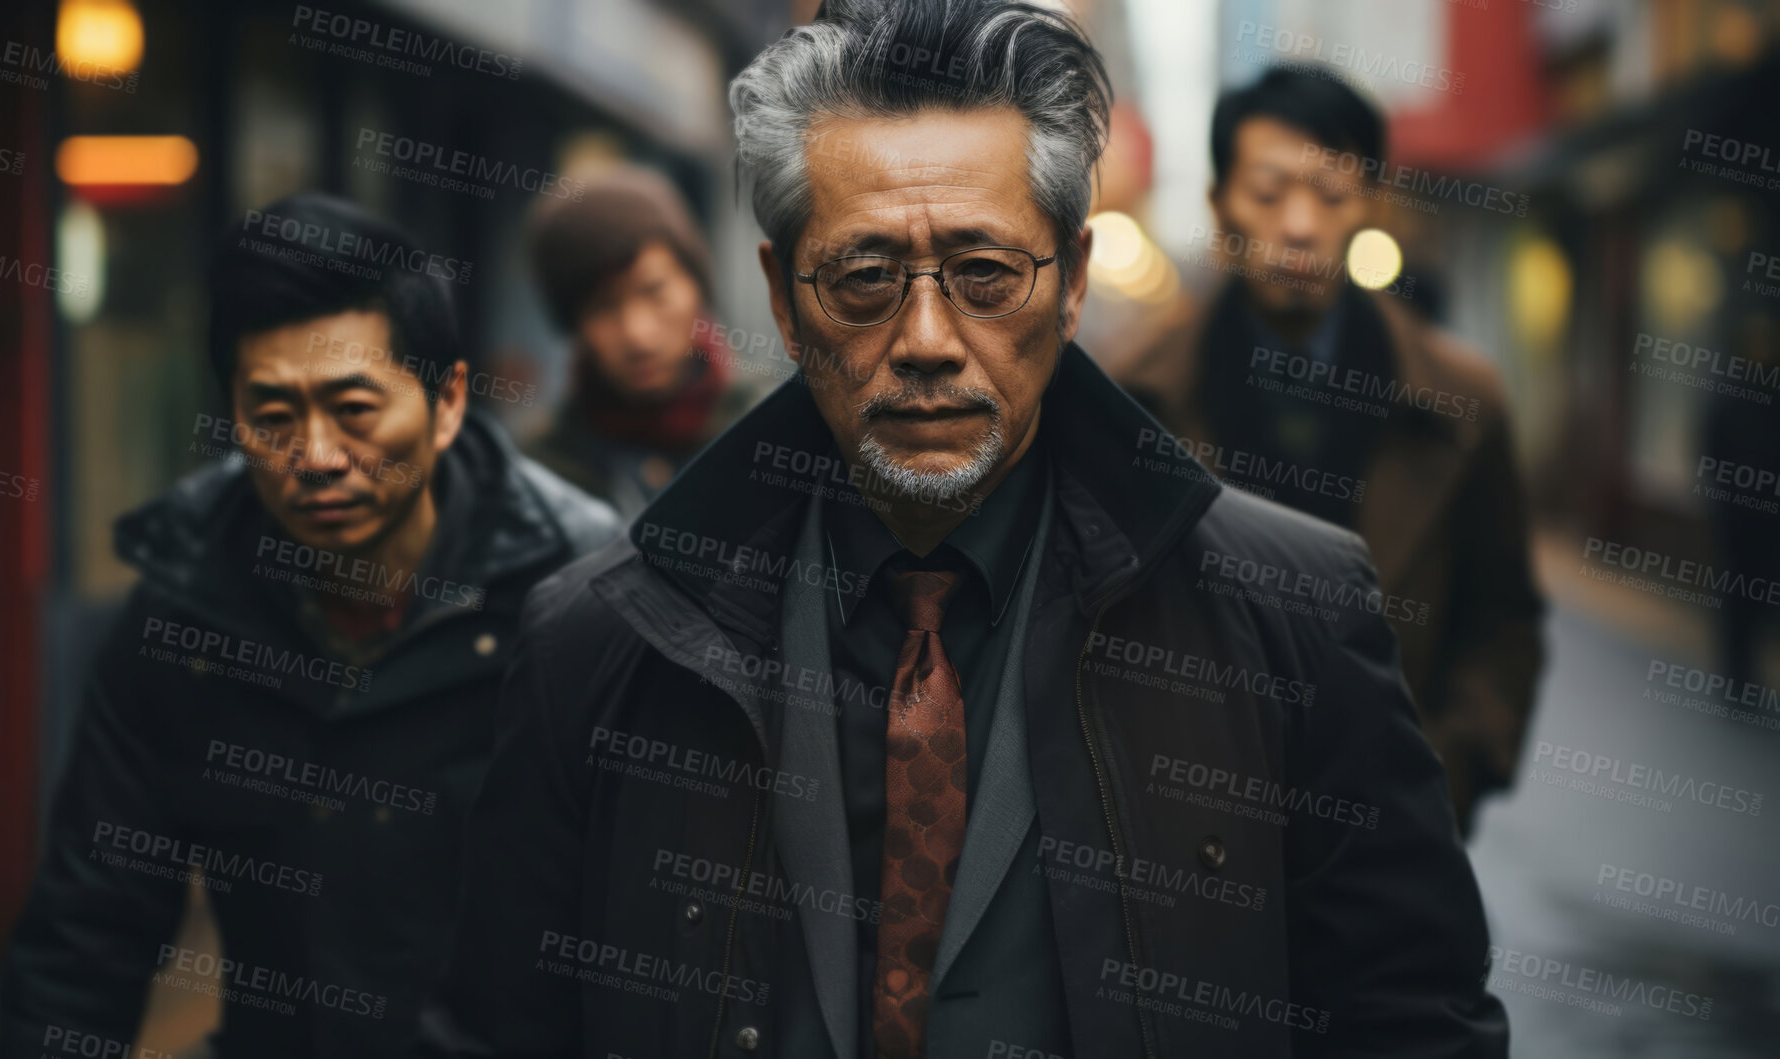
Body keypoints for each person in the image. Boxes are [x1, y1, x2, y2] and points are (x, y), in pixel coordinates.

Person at [422, 3, 1506, 1057]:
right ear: (784, 299)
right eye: (863, 278)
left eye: (985, 274)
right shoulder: (597, 645)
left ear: (1072, 282)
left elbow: (1409, 1022)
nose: (928, 338)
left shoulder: (1291, 619)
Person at [0, 193, 617, 1059]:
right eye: (275, 416)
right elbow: (88, 926)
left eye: (355, 409)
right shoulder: (187, 603)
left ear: (446, 404)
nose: (317, 456)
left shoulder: (578, 597)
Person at [1117, 66, 1546, 838]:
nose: (1300, 225)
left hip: (1383, 842)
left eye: (1332, 194)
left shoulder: (1459, 402)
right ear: (1220, 208)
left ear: (1371, 208)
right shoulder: (1129, 392)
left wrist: (1443, 776)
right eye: (1269, 191)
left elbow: (1501, 619)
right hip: (1181, 841)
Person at [526, 166, 749, 518]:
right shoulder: (540, 474)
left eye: (655, 291)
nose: (637, 334)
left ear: (696, 285)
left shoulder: (773, 430)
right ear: (574, 325)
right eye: (603, 307)